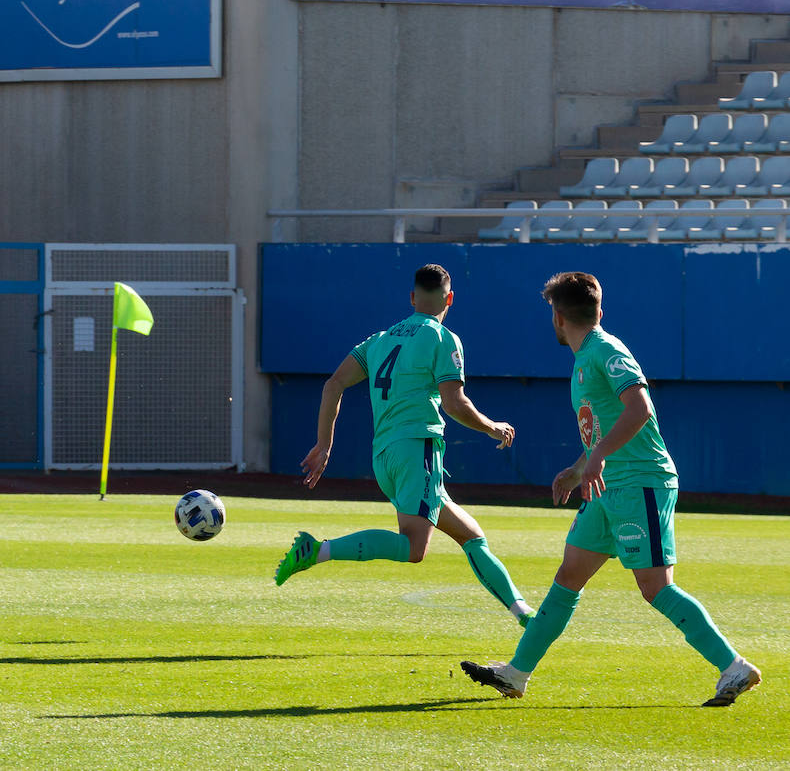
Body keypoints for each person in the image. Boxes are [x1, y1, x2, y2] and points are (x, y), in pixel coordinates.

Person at [460, 271, 761, 707]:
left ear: (558, 317)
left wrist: (597, 455)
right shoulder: (586, 358)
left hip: (639, 482)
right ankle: (516, 674)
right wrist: (579, 465)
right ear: (597, 310)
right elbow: (602, 424)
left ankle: (733, 667)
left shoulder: (605, 349)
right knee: (568, 578)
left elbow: (639, 407)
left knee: (655, 587)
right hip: (604, 487)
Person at [273, 264, 535, 628]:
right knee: (413, 548)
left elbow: (332, 384)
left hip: (385, 456)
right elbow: (454, 402)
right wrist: (492, 427)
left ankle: (524, 614)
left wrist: (324, 445)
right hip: (418, 451)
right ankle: (316, 550)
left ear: (412, 298)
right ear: (451, 299)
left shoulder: (379, 340)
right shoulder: (443, 338)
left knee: (472, 536)